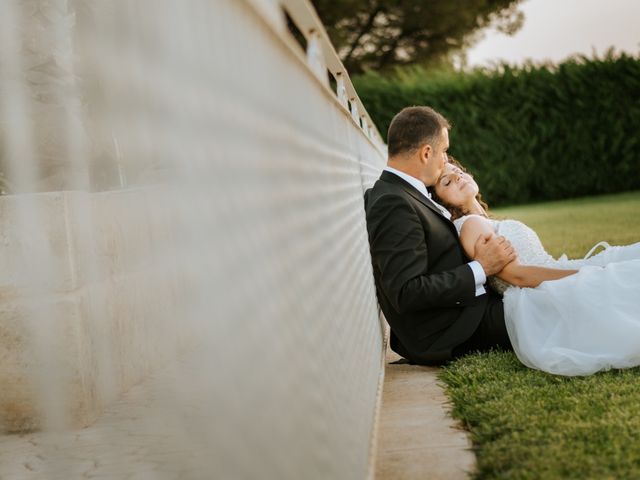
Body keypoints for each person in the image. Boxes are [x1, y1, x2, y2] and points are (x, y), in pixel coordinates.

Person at [432, 159, 640, 375]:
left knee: (625, 261)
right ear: (441, 202)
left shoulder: (481, 219)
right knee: (621, 275)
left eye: (458, 172)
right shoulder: (470, 226)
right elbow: (517, 276)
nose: (458, 178)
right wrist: (583, 275)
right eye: (447, 182)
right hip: (541, 290)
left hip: (552, 273)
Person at [364, 106, 516, 365]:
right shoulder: (392, 202)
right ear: (426, 152)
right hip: (455, 329)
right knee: (551, 312)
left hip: (469, 309)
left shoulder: (404, 192)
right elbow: (406, 291)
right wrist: (482, 268)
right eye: (444, 151)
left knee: (552, 300)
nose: (446, 160)